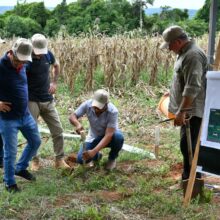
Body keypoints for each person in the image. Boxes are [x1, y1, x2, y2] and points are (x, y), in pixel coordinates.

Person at [160, 25, 208, 180]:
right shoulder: (183, 53)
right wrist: (172, 91)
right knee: (186, 145)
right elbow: (183, 79)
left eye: (170, 45)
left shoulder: (192, 55)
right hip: (187, 109)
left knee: (190, 147)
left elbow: (193, 86)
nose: (169, 49)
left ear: (179, 41)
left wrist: (182, 111)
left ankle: (192, 181)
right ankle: (188, 178)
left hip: (192, 110)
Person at [0, 38, 41, 192]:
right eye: (18, 61)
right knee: (10, 151)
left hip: (25, 115)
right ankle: (9, 182)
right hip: (8, 119)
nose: (20, 64)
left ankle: (20, 167)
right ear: (11, 53)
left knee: (35, 141)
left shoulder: (23, 64)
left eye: (24, 62)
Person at [27, 33, 69, 170]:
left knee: (58, 130)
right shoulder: (25, 58)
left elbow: (56, 65)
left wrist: (54, 82)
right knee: (32, 132)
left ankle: (59, 160)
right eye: (37, 52)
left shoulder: (48, 54)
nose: (39, 55)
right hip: (31, 100)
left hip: (47, 99)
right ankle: (35, 160)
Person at [69, 89, 124, 171]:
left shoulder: (113, 111)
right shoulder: (88, 104)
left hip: (110, 137)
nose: (97, 110)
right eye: (95, 107)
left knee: (119, 137)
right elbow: (72, 116)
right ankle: (97, 156)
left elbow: (108, 135)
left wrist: (94, 151)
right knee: (81, 159)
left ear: (106, 104)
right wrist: (78, 124)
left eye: (100, 108)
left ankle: (112, 159)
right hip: (94, 137)